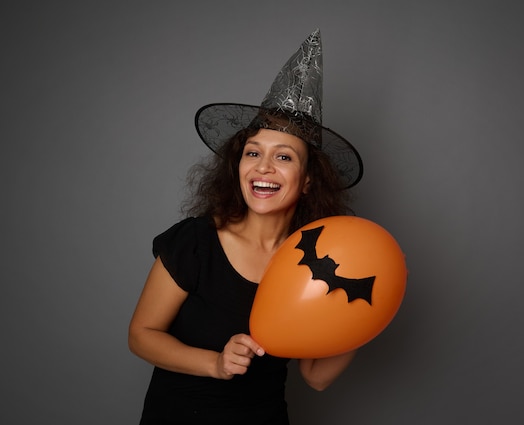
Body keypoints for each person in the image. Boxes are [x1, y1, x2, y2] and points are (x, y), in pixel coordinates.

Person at [128, 29, 364, 424]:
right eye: (253, 152)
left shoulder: (321, 265)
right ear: (237, 166)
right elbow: (141, 335)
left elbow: (316, 376)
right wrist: (215, 363)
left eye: (284, 157)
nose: (264, 167)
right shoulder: (196, 241)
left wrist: (368, 311)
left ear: (308, 180)